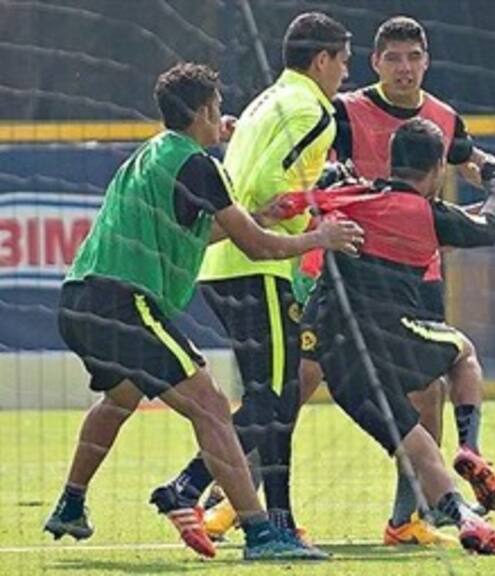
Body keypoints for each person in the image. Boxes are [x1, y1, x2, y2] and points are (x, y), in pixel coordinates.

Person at [43, 62, 363, 561]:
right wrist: (320, 237)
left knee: (120, 398)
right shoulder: (197, 163)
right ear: (202, 111)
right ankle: (261, 533)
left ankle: (70, 502)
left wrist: (256, 214)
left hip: (80, 299)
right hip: (123, 301)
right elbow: (256, 249)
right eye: (217, 109)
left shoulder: (153, 153)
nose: (223, 118)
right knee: (211, 404)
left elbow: (208, 231)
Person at [294, 15, 495, 547]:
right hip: (339, 271)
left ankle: (407, 518)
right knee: (293, 384)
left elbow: (469, 159)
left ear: (426, 61)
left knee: (421, 397)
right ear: (375, 63)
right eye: (394, 58)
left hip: (413, 279)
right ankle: (215, 491)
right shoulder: (343, 110)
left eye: (413, 58)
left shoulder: (446, 119)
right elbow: (304, 160)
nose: (404, 68)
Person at [149, 12, 353, 542]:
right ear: (322, 59)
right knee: (276, 397)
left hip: (222, 265)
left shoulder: (267, 99)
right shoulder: (314, 109)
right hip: (256, 266)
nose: (345, 72)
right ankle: (189, 485)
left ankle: (274, 520)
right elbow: (267, 188)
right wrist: (318, 206)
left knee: (274, 396)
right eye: (343, 60)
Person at [274, 118, 495, 555]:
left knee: (413, 443)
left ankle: (465, 518)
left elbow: (295, 201)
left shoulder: (352, 197)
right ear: (439, 167)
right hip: (390, 335)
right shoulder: (427, 213)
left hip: (339, 357)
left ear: (391, 161)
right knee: (462, 352)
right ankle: (471, 446)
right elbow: (489, 225)